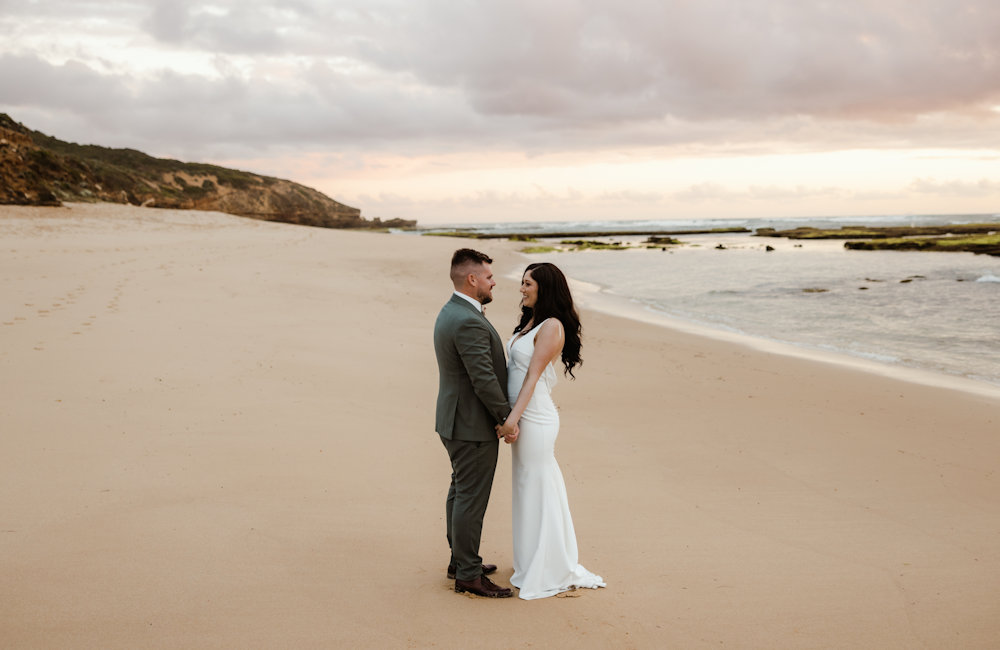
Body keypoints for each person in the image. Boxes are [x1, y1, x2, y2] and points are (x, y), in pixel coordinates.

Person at [501, 262, 606, 600]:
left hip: (536, 417)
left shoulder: (552, 326)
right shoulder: (529, 323)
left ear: (544, 287)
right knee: (527, 484)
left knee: (537, 483)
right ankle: (533, 559)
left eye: (527, 283)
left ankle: (550, 565)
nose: (522, 288)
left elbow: (532, 376)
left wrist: (513, 418)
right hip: (523, 414)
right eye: (521, 282)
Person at [433, 248, 519, 598]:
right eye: (488, 276)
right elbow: (482, 379)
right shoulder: (467, 319)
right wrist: (506, 419)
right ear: (472, 279)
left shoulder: (451, 311)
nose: (493, 281)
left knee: (460, 490)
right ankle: (468, 574)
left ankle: (460, 560)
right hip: (470, 425)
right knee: (471, 498)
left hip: (455, 419)